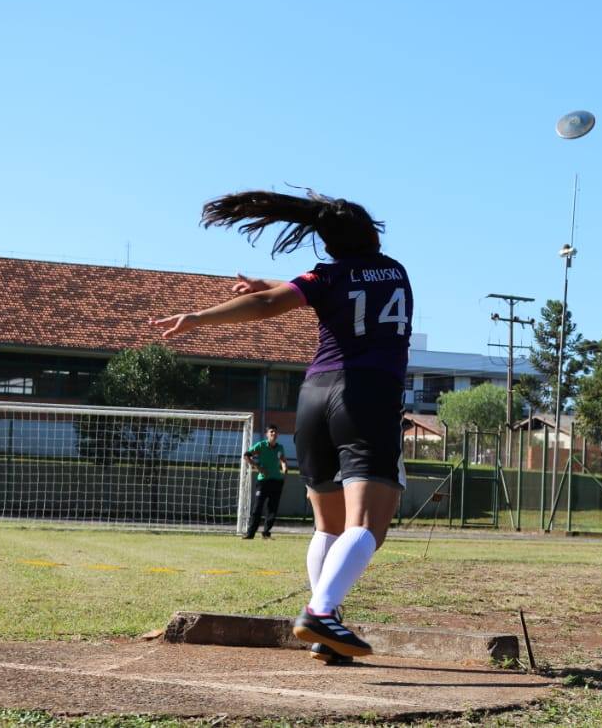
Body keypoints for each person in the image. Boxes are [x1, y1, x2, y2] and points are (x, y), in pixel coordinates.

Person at [150, 189, 411, 663]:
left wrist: (199, 318)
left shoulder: (326, 276)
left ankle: (324, 631)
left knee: (328, 526)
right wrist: (269, 287)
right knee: (367, 525)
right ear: (372, 235)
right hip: (367, 395)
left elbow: (276, 301)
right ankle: (321, 612)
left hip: (313, 397)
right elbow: (343, 289)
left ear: (327, 244)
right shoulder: (395, 271)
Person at [243, 425, 290, 539]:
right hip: (263, 482)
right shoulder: (261, 445)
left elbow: (282, 459)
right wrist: (258, 467)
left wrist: (284, 468)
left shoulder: (280, 447)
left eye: (275, 432)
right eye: (271, 431)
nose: (274, 434)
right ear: (267, 434)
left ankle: (266, 533)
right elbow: (246, 456)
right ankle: (250, 533)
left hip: (277, 481)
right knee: (257, 507)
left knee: (272, 509)